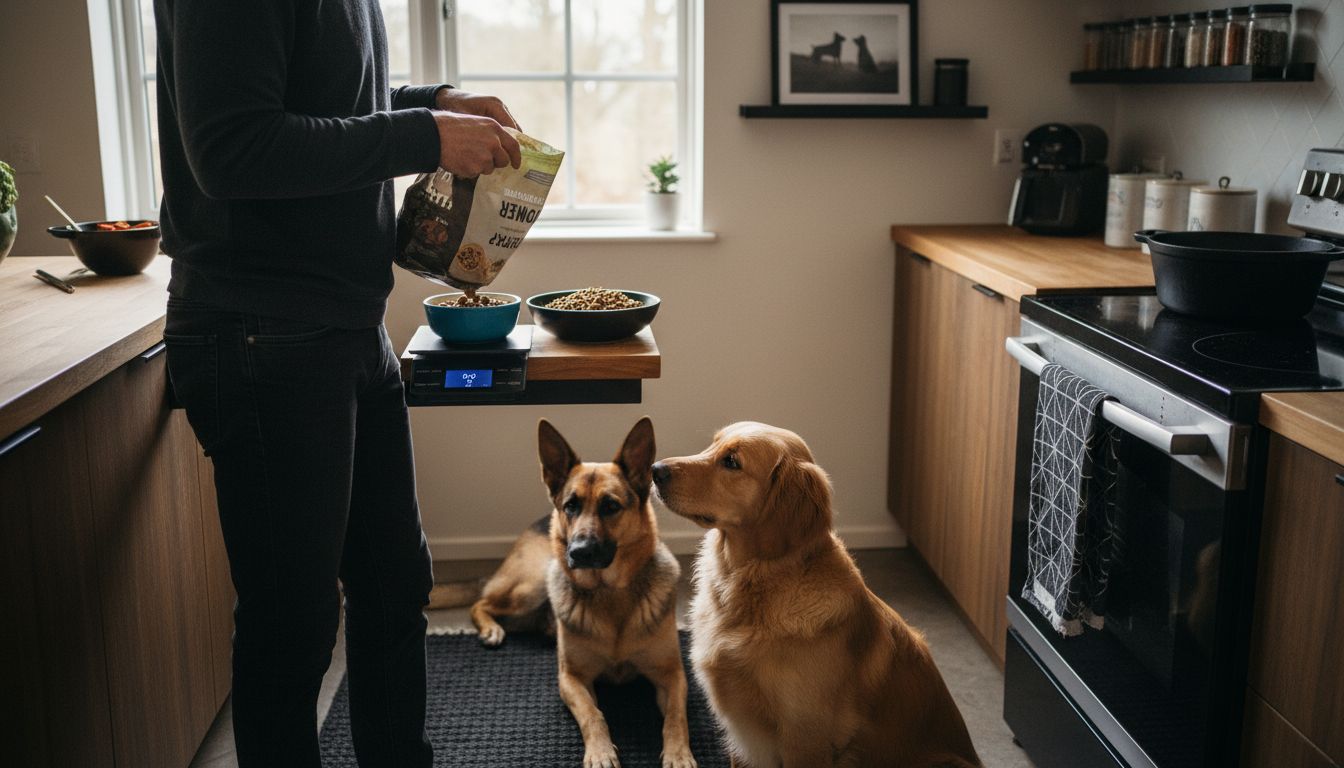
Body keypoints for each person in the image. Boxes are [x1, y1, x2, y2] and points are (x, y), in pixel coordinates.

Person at [153, 1, 520, 765]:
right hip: (262, 330)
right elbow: (232, 149)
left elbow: (328, 99)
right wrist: (424, 135)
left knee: (394, 585)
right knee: (293, 622)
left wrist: (434, 104)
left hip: (348, 323)